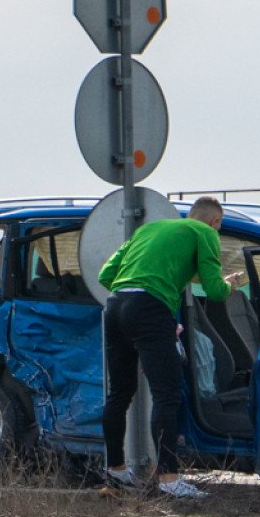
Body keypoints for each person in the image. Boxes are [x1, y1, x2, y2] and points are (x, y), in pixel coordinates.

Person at [98, 196, 245, 499]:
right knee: (167, 396)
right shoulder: (204, 234)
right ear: (214, 223)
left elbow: (105, 276)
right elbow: (215, 291)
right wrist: (232, 283)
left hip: (116, 306)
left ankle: (115, 470)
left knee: (119, 393)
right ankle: (168, 479)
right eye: (218, 227)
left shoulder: (147, 230)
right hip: (150, 310)